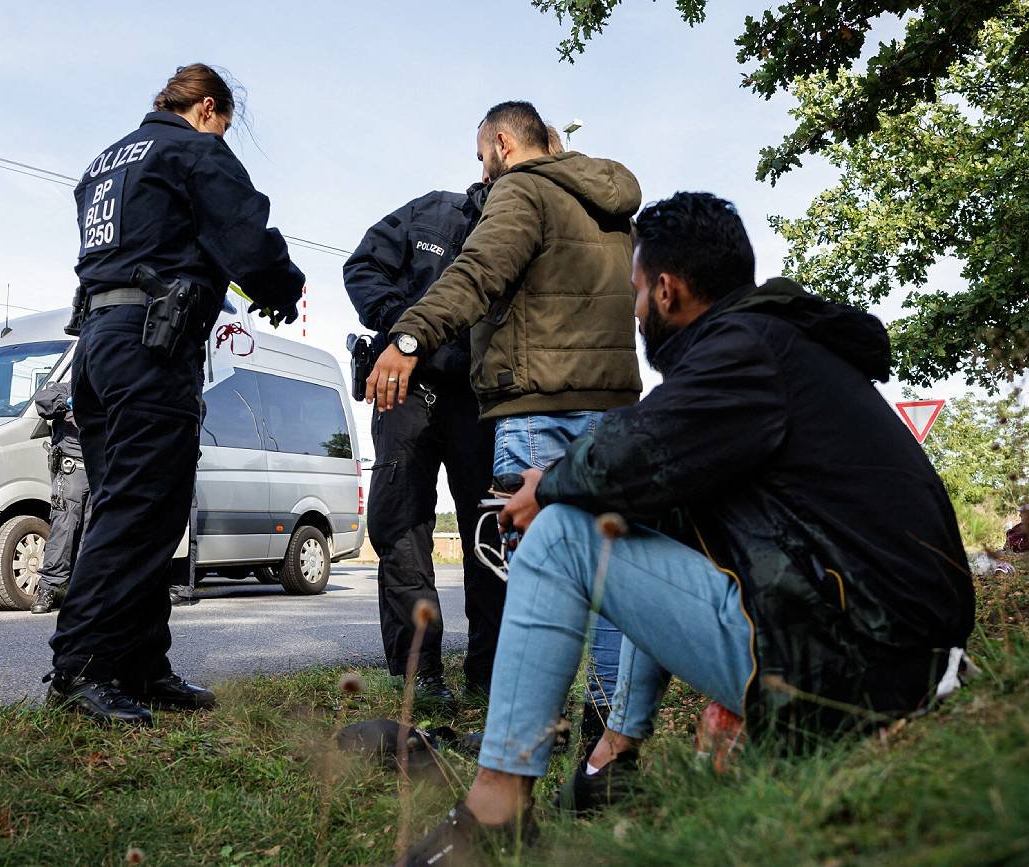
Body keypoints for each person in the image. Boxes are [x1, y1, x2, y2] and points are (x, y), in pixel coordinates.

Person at [401, 192, 975, 865]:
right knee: (642, 520)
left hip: (862, 668)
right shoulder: (773, 348)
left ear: (667, 291)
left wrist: (547, 485)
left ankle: (495, 811)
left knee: (558, 536)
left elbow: (633, 448)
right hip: (891, 653)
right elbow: (650, 477)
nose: (637, 309)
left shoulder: (744, 349)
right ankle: (611, 760)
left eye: (638, 292)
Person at [367, 100, 641, 736]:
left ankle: (522, 733)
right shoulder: (611, 201)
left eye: (482, 156)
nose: (483, 170)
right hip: (611, 412)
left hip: (535, 410)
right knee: (606, 583)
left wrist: (408, 339)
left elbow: (478, 272)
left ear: (501, 143)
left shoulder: (519, 189)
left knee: (529, 578)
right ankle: (606, 734)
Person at [47, 63, 305, 726]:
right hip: (151, 346)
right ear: (208, 108)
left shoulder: (107, 160)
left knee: (141, 508)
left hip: (99, 342)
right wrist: (283, 285)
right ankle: (79, 669)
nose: (223, 135)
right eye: (222, 124)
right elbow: (246, 242)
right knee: (140, 509)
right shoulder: (194, 150)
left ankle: (139, 664)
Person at [344, 182, 500, 703]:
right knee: (401, 523)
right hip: (406, 385)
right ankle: (421, 672)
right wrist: (400, 326)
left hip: (481, 396)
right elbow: (362, 267)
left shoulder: (525, 221)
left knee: (489, 530)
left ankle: (489, 672)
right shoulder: (431, 212)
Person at [30, 381, 89, 615]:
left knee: (93, 533)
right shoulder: (64, 389)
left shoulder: (109, 388)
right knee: (64, 528)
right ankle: (47, 588)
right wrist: (68, 402)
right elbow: (43, 403)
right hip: (71, 469)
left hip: (102, 469)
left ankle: (84, 591)